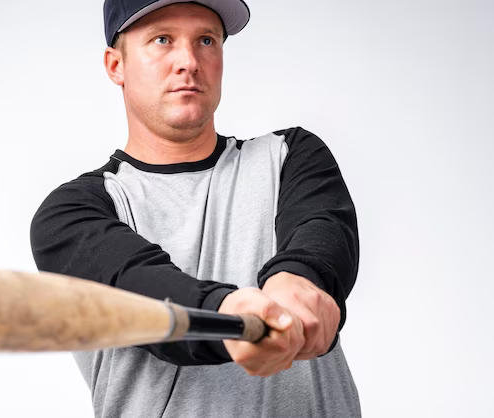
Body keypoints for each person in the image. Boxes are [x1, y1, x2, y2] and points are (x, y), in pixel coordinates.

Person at [30, 0, 361, 416]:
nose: (188, 61)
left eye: (206, 40)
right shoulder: (71, 214)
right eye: (162, 39)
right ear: (116, 65)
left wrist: (298, 287)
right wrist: (233, 315)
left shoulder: (289, 155)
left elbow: (321, 233)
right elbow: (141, 290)